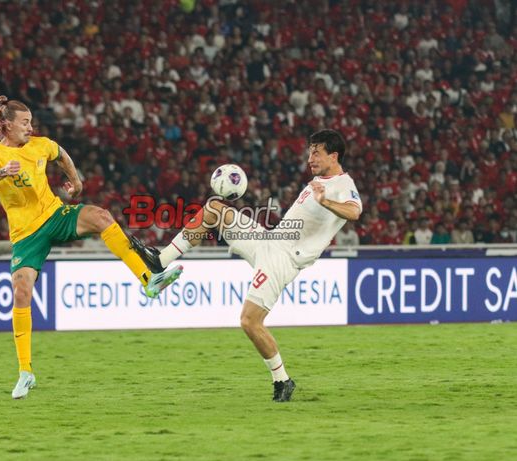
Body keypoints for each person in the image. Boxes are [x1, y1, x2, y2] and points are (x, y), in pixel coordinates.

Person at [0, 96, 182, 399]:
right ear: (7, 124)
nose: (31, 127)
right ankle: (25, 372)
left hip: (55, 216)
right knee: (21, 292)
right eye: (25, 122)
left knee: (101, 217)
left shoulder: (41, 144)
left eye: (31, 122)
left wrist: (76, 181)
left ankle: (149, 281)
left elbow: (62, 155)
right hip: (25, 235)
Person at [130, 129, 362, 402]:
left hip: (282, 259)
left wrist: (326, 200)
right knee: (214, 208)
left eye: (317, 152)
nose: (310, 157)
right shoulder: (318, 180)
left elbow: (355, 211)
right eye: (310, 151)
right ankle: (160, 262)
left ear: (333, 156)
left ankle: (282, 380)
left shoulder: (342, 184)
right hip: (269, 241)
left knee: (250, 322)